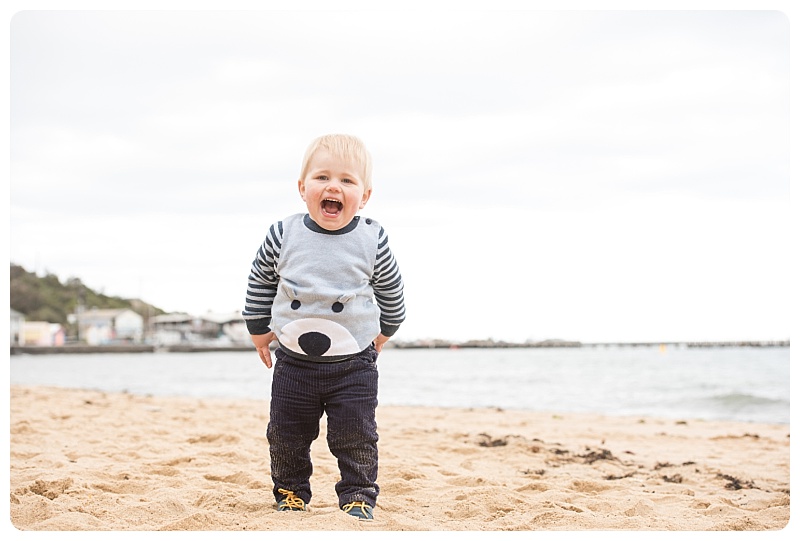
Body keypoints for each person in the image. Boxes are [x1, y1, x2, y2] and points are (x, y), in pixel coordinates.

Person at [242, 134, 406, 521]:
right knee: (286, 435)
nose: (334, 187)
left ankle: (358, 495)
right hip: (294, 364)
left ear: (364, 196)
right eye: (322, 178)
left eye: (347, 181)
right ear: (303, 188)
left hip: (354, 366)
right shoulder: (283, 235)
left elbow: (391, 290)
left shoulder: (372, 239)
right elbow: (260, 281)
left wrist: (386, 331)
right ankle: (291, 493)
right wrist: (257, 328)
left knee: (355, 435)